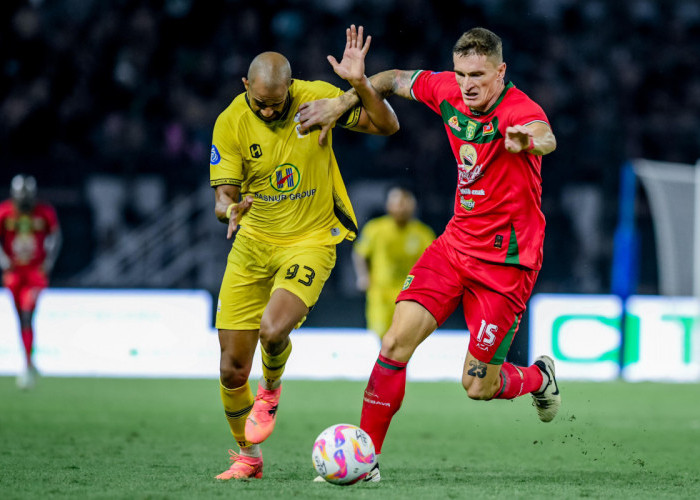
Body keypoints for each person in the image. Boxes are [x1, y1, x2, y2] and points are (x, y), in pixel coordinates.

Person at [299, 27, 560, 481]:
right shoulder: (447, 90)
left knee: (478, 387)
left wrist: (527, 142)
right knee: (394, 344)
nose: (467, 85)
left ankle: (539, 378)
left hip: (507, 264)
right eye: (461, 74)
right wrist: (343, 101)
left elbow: (544, 135)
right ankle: (365, 461)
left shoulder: (520, 110)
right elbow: (392, 78)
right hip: (455, 247)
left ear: (501, 71)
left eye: (478, 74)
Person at [209, 25, 399, 480]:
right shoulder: (231, 120)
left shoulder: (317, 97)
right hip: (252, 245)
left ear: (290, 87)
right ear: (245, 88)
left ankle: (270, 390)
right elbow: (222, 200)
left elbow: (387, 125)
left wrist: (354, 88)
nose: (270, 109)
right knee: (233, 368)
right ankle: (247, 459)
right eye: (261, 102)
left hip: (311, 241)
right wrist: (230, 208)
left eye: (278, 101)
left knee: (273, 330)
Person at [0, 174, 61, 389]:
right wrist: (4, 260)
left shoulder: (43, 213)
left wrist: (49, 261)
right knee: (21, 318)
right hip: (14, 274)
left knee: (27, 315)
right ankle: (29, 359)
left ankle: (26, 366)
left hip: (34, 274)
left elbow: (55, 236)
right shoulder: (5, 212)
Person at [352, 186, 435, 338]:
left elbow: (433, 263)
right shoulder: (375, 229)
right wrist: (363, 276)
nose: (400, 206)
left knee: (405, 338)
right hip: (380, 295)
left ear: (413, 205)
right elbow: (359, 253)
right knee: (382, 337)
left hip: (410, 296)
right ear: (388, 205)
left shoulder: (423, 233)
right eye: (396, 202)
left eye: (405, 202)